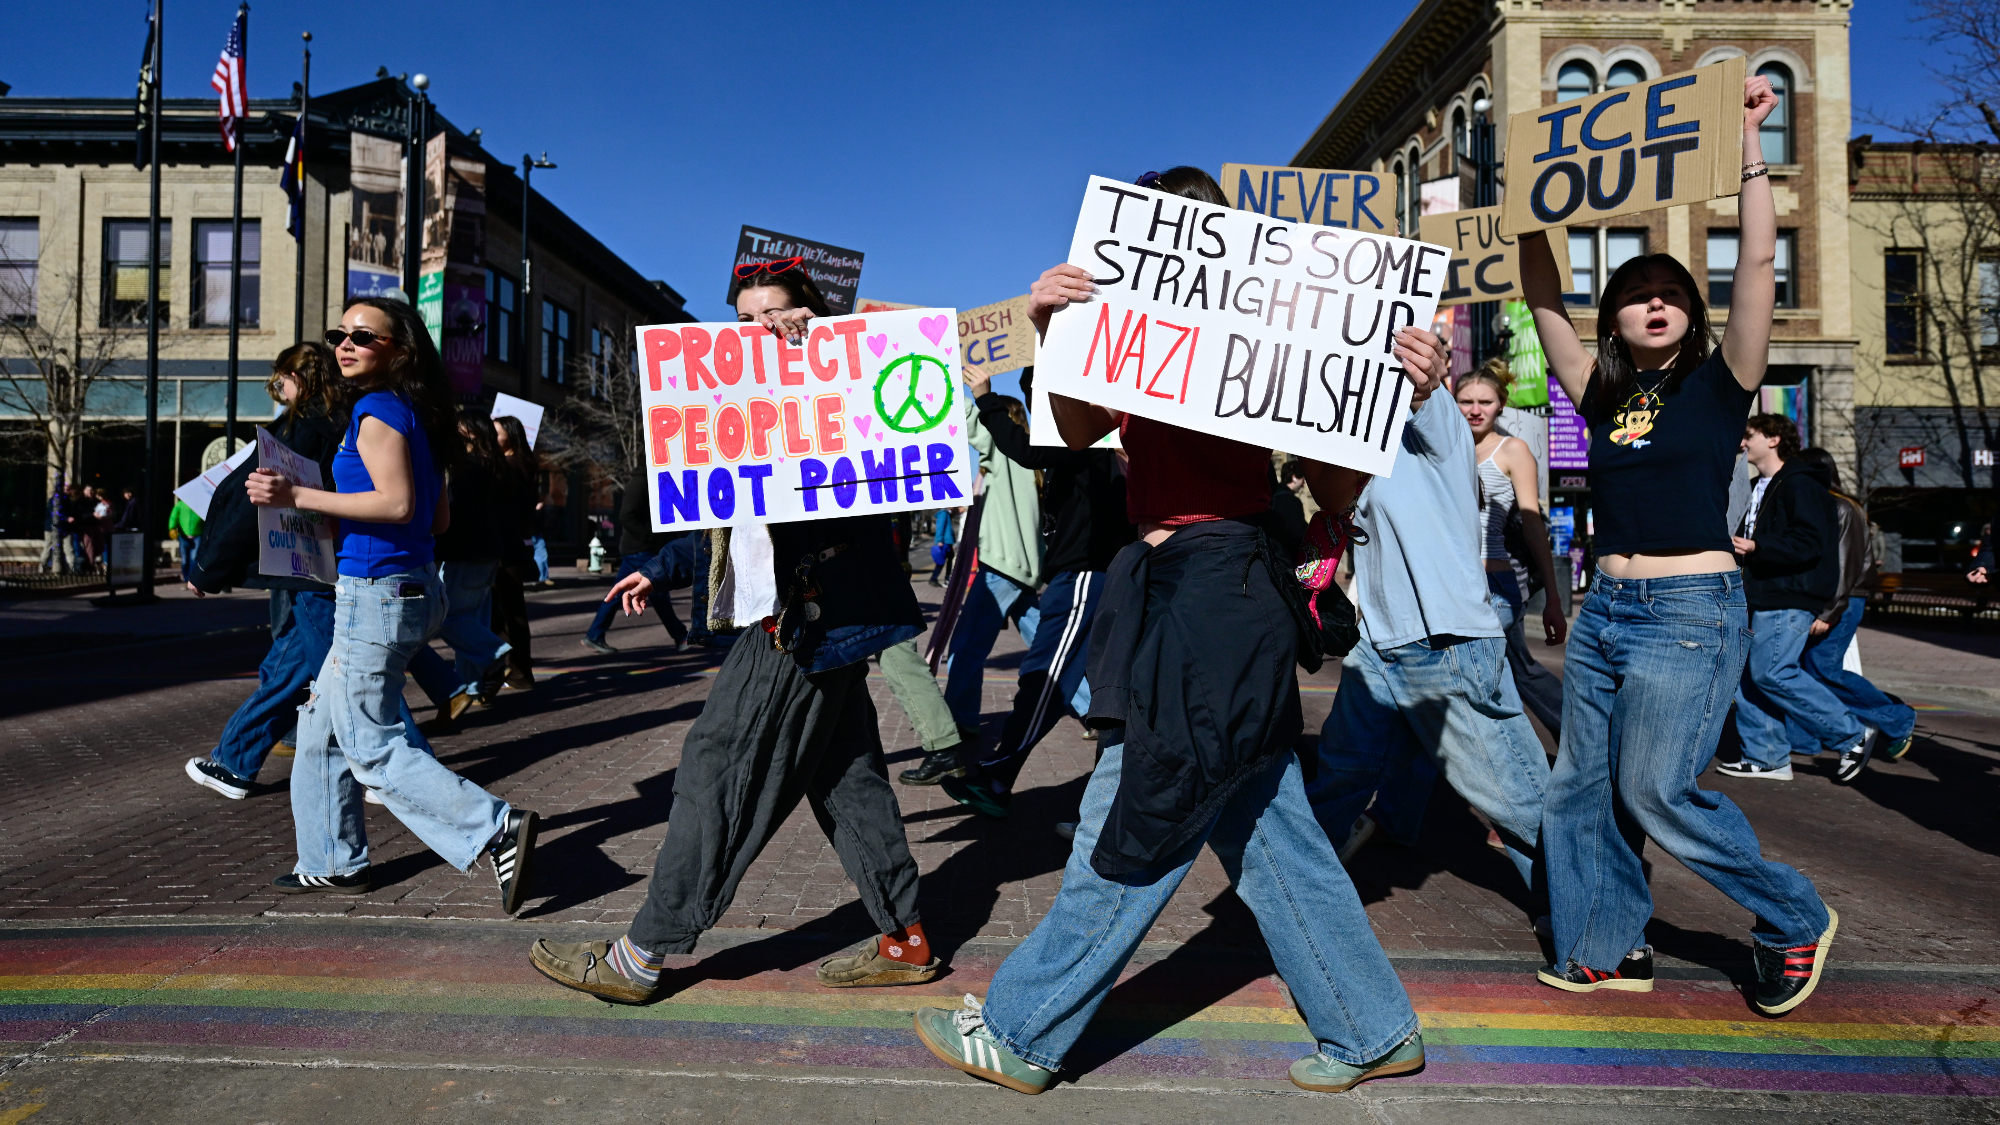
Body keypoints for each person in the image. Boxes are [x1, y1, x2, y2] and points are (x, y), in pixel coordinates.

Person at [911, 167, 1437, 1096]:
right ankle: (1371, 1025)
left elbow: (1334, 483)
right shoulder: (1133, 333)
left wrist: (1388, 389)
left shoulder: (1287, 333)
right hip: (1164, 586)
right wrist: (1054, 329)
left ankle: (1024, 1027)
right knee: (1263, 815)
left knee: (1142, 800)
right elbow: (1070, 430)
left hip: (1221, 586)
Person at [528, 260, 940, 1001]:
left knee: (718, 766)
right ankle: (906, 937)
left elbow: (888, 357)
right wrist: (664, 564)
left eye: (773, 314)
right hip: (812, 619)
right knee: (848, 781)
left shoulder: (835, 389)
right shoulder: (745, 413)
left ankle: (642, 954)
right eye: (744, 320)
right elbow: (734, 523)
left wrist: (816, 338)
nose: (757, 331)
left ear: (807, 315)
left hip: (807, 618)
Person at [1518, 75, 1837, 1017]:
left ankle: (1792, 913)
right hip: (1606, 612)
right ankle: (1612, 945)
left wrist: (1748, 145)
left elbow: (1756, 262)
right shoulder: (1605, 396)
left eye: (1670, 296)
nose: (1654, 305)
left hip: (1689, 613)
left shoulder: (1722, 382)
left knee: (1655, 790)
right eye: (1634, 297)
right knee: (1579, 788)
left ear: (1691, 315)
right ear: (1612, 318)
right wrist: (1527, 212)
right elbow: (1541, 297)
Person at [246, 297, 537, 911]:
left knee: (371, 743)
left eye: (363, 337)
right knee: (321, 727)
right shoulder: (416, 415)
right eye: (340, 334)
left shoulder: (377, 411)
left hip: (374, 594)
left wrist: (299, 494)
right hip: (402, 585)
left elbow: (399, 506)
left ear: (398, 350)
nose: (345, 345)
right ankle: (330, 862)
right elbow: (438, 516)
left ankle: (493, 826)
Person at [1303, 357, 1551, 900]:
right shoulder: (1350, 442)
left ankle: (1602, 925)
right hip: (1379, 644)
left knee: (1521, 802)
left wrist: (1422, 370)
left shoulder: (1437, 427)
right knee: (1341, 775)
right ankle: (1297, 891)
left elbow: (1425, 391)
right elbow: (1327, 496)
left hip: (1447, 641)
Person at [185, 342, 394, 800]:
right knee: (299, 669)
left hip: (308, 565)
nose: (277, 391)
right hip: (334, 561)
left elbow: (248, 505)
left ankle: (392, 768)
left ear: (296, 378)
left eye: (280, 381)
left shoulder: (300, 429)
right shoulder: (349, 419)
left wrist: (207, 569)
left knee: (339, 674)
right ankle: (235, 761)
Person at [928, 366, 1135, 814]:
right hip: (1076, 575)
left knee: (1043, 680)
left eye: (1040, 390)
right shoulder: (1093, 441)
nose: (1039, 402)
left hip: (1083, 576)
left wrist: (984, 396)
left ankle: (999, 775)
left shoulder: (1087, 438)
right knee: (1078, 682)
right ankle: (1113, 798)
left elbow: (1023, 449)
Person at [1719, 414, 1875, 783]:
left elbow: (1811, 543)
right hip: (1760, 595)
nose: (1742, 443)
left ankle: (1851, 733)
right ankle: (1767, 757)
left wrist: (1758, 546)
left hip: (1788, 595)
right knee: (1747, 679)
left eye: (1750, 436)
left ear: (1774, 439)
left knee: (1774, 671)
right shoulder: (1761, 486)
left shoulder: (1800, 485)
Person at [1782, 447, 1917, 765]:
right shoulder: (1825, 504)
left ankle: (1897, 717)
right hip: (1831, 599)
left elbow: (1845, 564)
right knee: (1802, 669)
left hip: (1841, 600)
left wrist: (1828, 611)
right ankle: (1804, 739)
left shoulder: (1841, 507)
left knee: (1822, 669)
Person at [1456, 361, 1567, 734]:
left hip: (1496, 588)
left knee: (1471, 678)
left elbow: (1534, 524)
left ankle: (1527, 759)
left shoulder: (1512, 450)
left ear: (1501, 404)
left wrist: (1553, 597)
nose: (1475, 410)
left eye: (1484, 402)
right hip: (1453, 585)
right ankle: (1582, 736)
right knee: (1519, 670)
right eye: (1465, 401)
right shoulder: (1445, 447)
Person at [406, 407, 517, 726]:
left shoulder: (469, 467)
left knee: (446, 616)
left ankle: (494, 656)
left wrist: (435, 546)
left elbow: (456, 517)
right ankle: (471, 688)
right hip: (487, 554)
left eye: (459, 426)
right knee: (471, 619)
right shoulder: (494, 465)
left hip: (466, 553)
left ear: (470, 430)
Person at [940, 401, 1044, 734]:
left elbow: (969, 418)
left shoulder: (1003, 451)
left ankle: (960, 719)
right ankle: (1095, 709)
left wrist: (955, 376)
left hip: (1002, 565)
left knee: (966, 646)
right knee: (1050, 647)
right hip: (1022, 565)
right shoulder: (1030, 457)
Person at [582, 465, 691, 654]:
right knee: (657, 587)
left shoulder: (654, 479)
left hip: (641, 548)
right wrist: (649, 538)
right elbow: (626, 515)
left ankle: (594, 634)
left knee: (620, 591)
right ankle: (680, 635)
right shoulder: (640, 481)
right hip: (640, 549)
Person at [486, 414, 540, 694]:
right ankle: (516, 670)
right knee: (512, 612)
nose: (492, 436)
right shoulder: (524, 462)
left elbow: (508, 510)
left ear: (511, 433)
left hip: (507, 547)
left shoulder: (511, 465)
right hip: (515, 545)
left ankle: (515, 671)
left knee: (506, 614)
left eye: (497, 432)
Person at [168, 496, 204, 585]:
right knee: (184, 560)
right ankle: (186, 578)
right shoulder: (180, 505)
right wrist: (172, 528)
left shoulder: (201, 506)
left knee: (194, 558)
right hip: (183, 537)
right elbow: (174, 517)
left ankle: (191, 580)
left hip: (197, 535)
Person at [927, 507, 955, 585]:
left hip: (947, 541)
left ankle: (944, 578)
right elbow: (940, 526)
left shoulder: (947, 513)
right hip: (945, 541)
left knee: (948, 559)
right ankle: (935, 578)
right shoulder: (943, 513)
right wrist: (939, 540)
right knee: (942, 561)